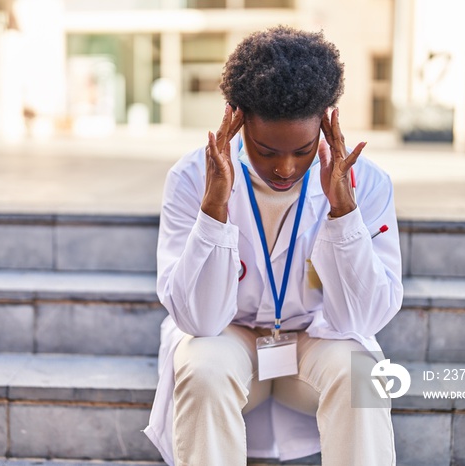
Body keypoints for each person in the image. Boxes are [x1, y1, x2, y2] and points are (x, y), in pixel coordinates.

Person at [144, 25, 403, 466]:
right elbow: (199, 319)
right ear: (237, 119)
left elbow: (363, 319)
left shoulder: (367, 183)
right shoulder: (191, 179)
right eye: (265, 151)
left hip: (314, 339)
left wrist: (344, 215)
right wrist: (214, 210)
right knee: (201, 367)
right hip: (230, 336)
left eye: (303, 150)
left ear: (326, 121)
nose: (285, 168)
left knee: (366, 374)